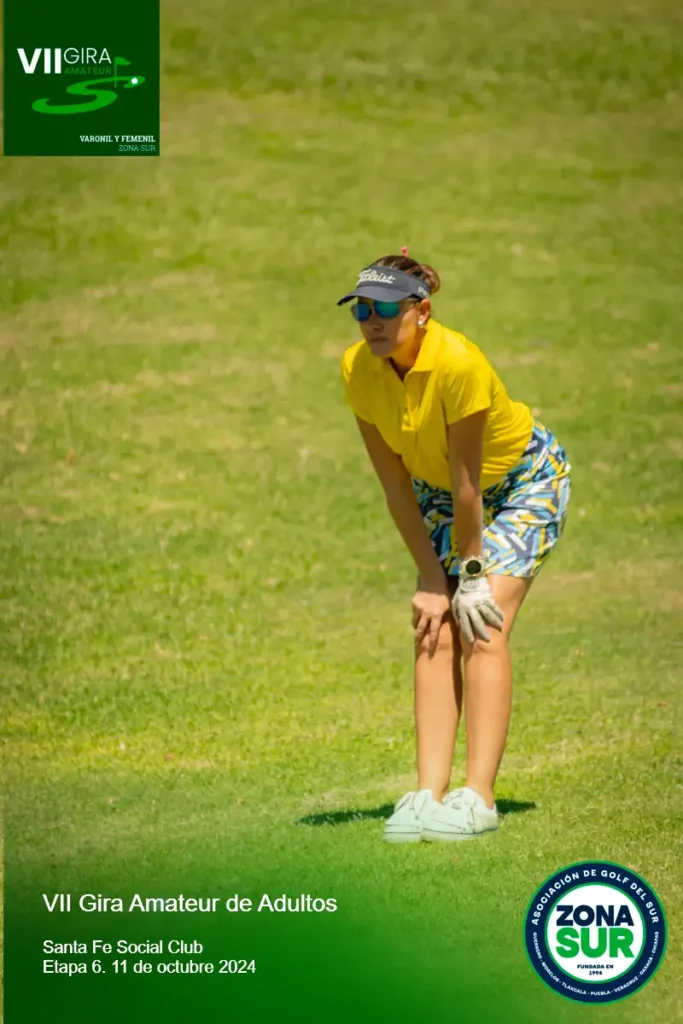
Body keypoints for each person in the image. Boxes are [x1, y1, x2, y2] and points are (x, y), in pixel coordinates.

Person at [338, 251, 571, 843]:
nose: (371, 321)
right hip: (437, 490)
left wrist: (469, 577)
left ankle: (479, 799)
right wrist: (428, 579)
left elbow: (470, 485)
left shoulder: (458, 362)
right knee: (434, 626)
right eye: (361, 310)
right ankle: (428, 795)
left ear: (421, 311)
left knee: (482, 621)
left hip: (521, 484)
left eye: (385, 309)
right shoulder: (357, 368)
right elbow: (396, 485)